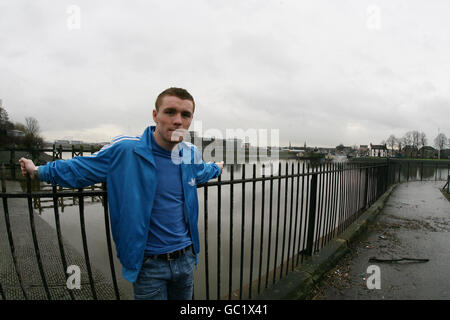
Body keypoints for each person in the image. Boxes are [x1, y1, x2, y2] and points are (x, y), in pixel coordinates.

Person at [19, 87, 224, 300]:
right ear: (156, 115)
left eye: (185, 115)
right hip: (148, 264)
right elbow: (80, 168)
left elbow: (200, 173)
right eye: (170, 112)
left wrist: (217, 168)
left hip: (186, 258)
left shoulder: (190, 153)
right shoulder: (126, 150)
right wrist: (38, 171)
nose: (178, 121)